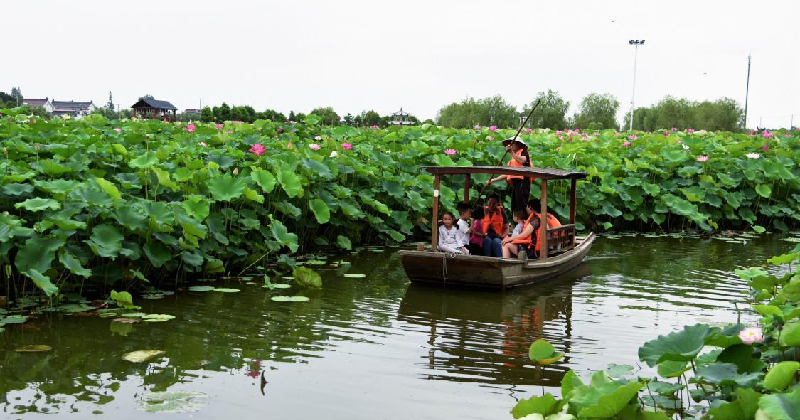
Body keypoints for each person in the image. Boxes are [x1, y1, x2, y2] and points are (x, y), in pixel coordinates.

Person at [485, 136, 531, 212]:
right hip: (515, 184)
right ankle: (517, 222)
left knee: (522, 206)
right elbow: (508, 173)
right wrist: (493, 180)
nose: (511, 145)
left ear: (519, 144)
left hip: (522, 183)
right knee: (515, 206)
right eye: (510, 144)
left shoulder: (523, 152)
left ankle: (525, 222)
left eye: (513, 144)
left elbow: (523, 161)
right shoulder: (513, 158)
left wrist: (511, 152)